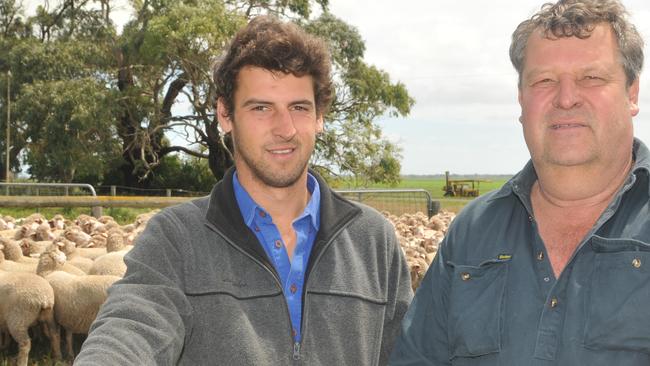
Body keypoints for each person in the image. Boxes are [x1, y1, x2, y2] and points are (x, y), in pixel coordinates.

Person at [75, 16, 413, 365]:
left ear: (319, 117)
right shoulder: (177, 239)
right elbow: (130, 329)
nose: (285, 129)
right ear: (225, 114)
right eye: (261, 108)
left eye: (298, 108)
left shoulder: (373, 240)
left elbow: (410, 354)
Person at [389, 0, 650, 364]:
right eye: (544, 80)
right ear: (521, 99)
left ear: (632, 93)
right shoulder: (472, 232)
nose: (566, 98)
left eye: (591, 77)